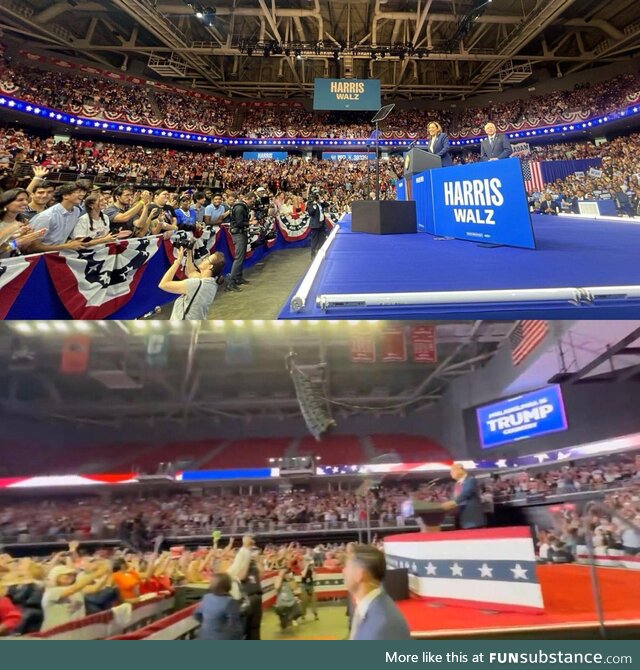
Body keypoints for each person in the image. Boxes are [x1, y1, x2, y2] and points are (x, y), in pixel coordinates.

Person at [343, 544, 411, 640]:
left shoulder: (381, 626)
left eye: (347, 566)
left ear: (360, 575)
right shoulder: (368, 606)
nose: (343, 571)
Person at [159, 247, 225, 320]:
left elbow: (163, 284)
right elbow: (190, 272)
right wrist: (189, 251)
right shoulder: (212, 283)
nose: (203, 259)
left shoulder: (196, 284)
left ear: (210, 266)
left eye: (207, 259)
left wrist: (178, 261)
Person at [41, 562, 109, 631]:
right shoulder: (51, 591)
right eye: (67, 574)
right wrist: (98, 573)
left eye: (73, 575)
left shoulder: (76, 590)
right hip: (55, 632)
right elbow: (73, 589)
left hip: (74, 630)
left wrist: (107, 573)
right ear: (55, 575)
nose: (71, 576)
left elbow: (95, 588)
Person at [27, 183, 89, 253]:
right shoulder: (46, 216)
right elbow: (33, 247)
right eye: (78, 192)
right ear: (65, 195)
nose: (82, 194)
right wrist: (67, 246)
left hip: (60, 254)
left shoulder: (76, 211)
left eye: (83, 192)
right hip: (40, 258)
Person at [228, 534, 263, 640]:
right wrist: (247, 559)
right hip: (246, 598)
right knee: (245, 630)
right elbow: (241, 577)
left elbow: (262, 575)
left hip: (257, 596)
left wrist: (257, 562)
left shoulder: (253, 560)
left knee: (255, 628)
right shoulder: (241, 558)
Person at [193, 573, 243, 640]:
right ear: (228, 585)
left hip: (204, 636)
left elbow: (196, 614)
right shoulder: (230, 602)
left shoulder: (206, 597)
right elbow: (235, 626)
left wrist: (209, 625)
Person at [0, 188, 46, 258]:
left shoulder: (23, 222)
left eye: (26, 200)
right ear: (6, 203)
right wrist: (16, 242)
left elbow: (10, 249)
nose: (25, 203)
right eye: (20, 200)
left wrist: (27, 241)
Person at [226, 190, 256, 292]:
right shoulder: (239, 207)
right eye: (252, 201)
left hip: (241, 233)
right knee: (238, 258)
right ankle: (231, 282)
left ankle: (238, 277)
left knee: (241, 257)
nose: (252, 203)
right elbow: (239, 222)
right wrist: (250, 222)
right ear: (248, 199)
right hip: (238, 233)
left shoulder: (242, 206)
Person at [441, 463, 487, 529]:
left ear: (460, 469)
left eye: (452, 471)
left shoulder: (470, 480)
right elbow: (455, 496)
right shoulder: (457, 484)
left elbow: (466, 493)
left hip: (473, 517)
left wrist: (453, 503)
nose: (451, 474)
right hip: (462, 517)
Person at [306, 187, 327, 260]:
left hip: (322, 224)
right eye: (316, 196)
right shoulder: (310, 203)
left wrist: (321, 200)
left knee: (322, 239)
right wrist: (314, 205)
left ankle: (320, 252)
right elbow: (310, 213)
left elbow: (327, 205)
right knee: (314, 240)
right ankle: (313, 254)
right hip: (315, 225)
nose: (317, 197)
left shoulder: (320, 203)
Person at [300, 552, 319, 621]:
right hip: (304, 585)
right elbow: (303, 575)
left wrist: (312, 569)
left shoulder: (311, 568)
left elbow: (315, 577)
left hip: (311, 585)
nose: (307, 562)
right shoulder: (302, 567)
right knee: (304, 600)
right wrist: (307, 566)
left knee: (313, 600)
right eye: (306, 560)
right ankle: (303, 614)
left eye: (308, 560)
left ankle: (315, 614)